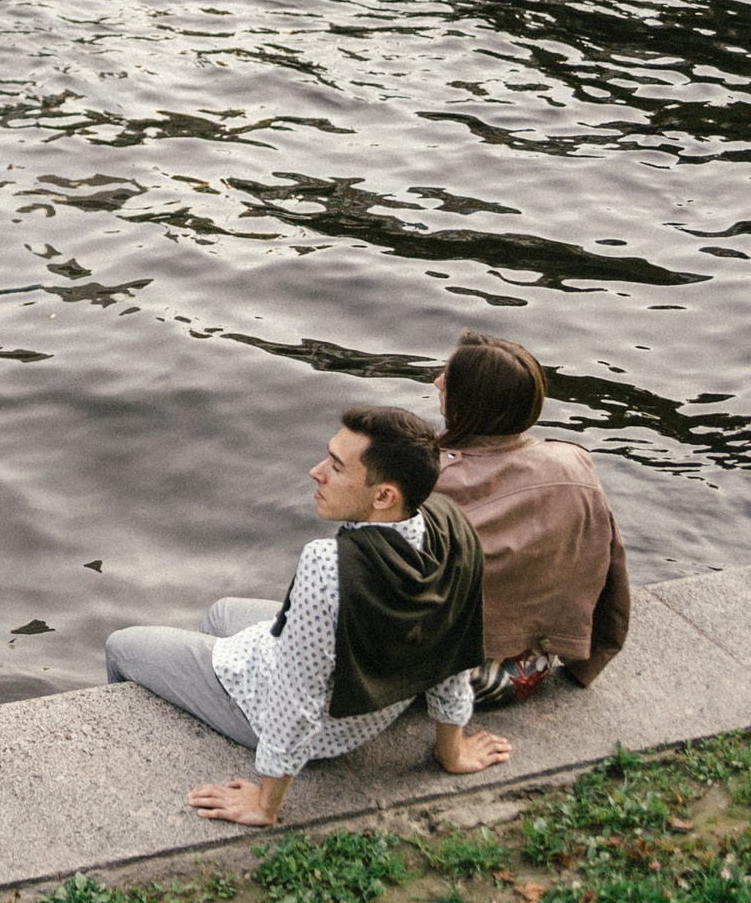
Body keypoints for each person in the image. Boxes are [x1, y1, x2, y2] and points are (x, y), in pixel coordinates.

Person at [105, 406, 511, 827]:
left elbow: (298, 698)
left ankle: (135, 754)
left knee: (121, 647)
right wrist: (452, 751)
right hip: (370, 708)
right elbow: (453, 650)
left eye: (336, 467)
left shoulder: (329, 566)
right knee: (221, 612)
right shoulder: (450, 524)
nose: (316, 472)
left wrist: (267, 805)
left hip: (309, 724)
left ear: (384, 496)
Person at [431, 331, 631, 706]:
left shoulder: (429, 475)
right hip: (527, 672)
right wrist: (589, 659)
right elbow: (612, 570)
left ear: (470, 400)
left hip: (445, 680)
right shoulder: (573, 463)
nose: (437, 381)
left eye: (448, 376)